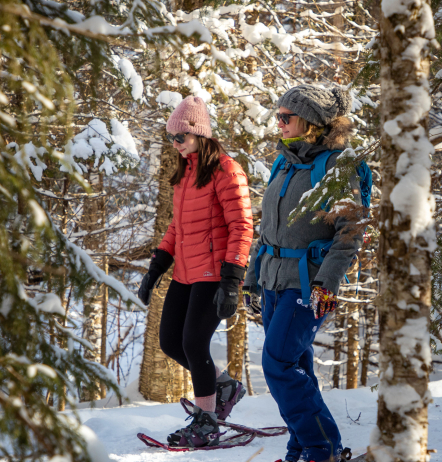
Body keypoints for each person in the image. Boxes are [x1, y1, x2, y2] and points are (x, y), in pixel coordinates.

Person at [242, 85, 360, 462]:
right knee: (296, 366)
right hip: (273, 283)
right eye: (278, 115)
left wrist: (327, 284)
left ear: (310, 122)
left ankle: (321, 448)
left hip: (308, 285)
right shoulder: (285, 163)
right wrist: (251, 278)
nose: (279, 122)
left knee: (277, 364)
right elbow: (267, 231)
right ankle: (301, 447)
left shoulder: (339, 166)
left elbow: (350, 232)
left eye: (286, 116)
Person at [137, 96, 254, 448]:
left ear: (200, 135)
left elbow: (242, 226)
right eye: (171, 138)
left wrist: (232, 280)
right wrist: (156, 266)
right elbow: (178, 227)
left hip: (215, 273)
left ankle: (207, 423)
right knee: (171, 342)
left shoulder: (226, 170)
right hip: (186, 273)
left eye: (181, 138)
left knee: (193, 343)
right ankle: (225, 385)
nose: (176, 144)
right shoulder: (185, 174)